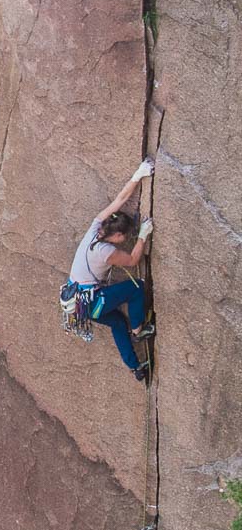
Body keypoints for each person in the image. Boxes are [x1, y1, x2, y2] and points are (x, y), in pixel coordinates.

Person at [66, 159, 156, 379]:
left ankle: (137, 368)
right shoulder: (106, 251)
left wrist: (139, 173)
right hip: (92, 302)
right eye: (124, 236)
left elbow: (120, 199)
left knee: (116, 322)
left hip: (77, 304)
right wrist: (143, 235)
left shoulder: (96, 227)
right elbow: (133, 260)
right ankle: (138, 331)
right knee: (137, 288)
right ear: (116, 235)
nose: (124, 239)